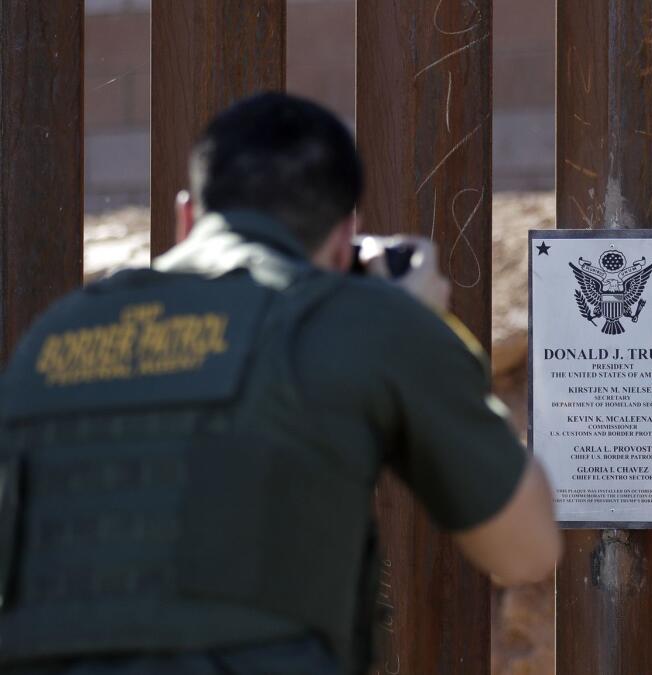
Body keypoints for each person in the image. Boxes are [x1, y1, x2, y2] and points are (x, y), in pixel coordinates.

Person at [0, 92, 561, 674]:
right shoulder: (360, 322)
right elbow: (526, 548)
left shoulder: (55, 335)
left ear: (186, 216)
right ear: (346, 239)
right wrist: (428, 330)